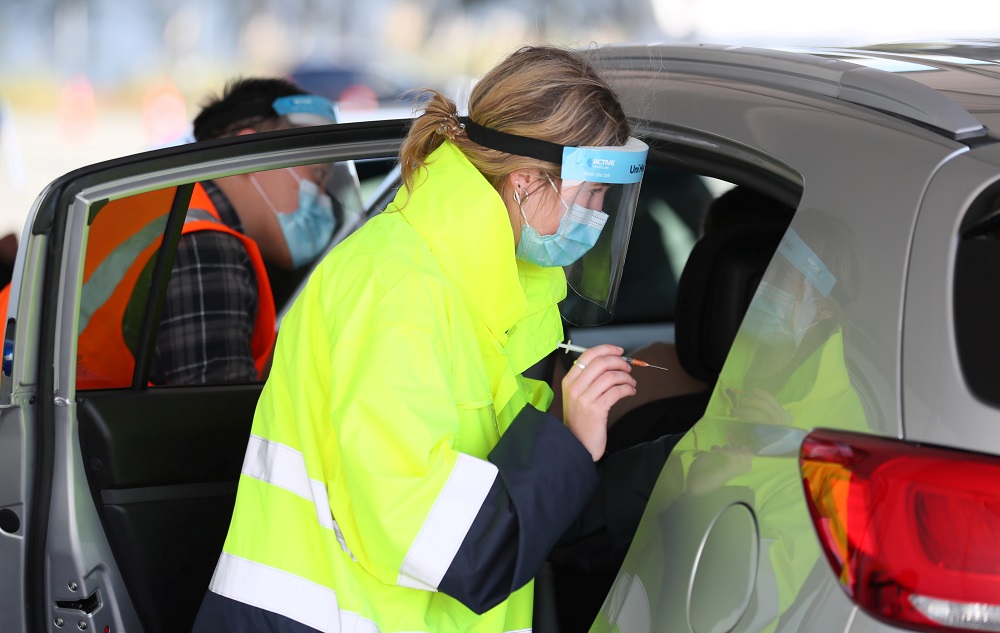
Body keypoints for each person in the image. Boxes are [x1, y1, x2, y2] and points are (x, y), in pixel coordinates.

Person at [191, 45, 674, 633]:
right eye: (592, 195)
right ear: (525, 182)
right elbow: (442, 542)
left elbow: (515, 504)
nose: (597, 218)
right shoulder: (399, 286)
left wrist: (668, 469)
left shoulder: (491, 292)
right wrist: (568, 443)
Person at [73, 77, 340, 387]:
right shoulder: (204, 245)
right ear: (250, 150)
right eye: (317, 174)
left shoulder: (166, 208)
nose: (323, 197)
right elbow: (213, 425)